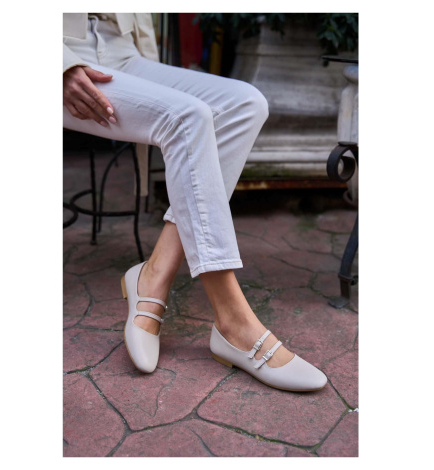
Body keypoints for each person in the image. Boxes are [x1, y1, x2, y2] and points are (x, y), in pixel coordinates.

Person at [63, 13, 327, 392]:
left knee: (246, 104)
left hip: (119, 47)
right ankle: (233, 321)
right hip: (64, 53)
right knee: (187, 117)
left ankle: (154, 275)